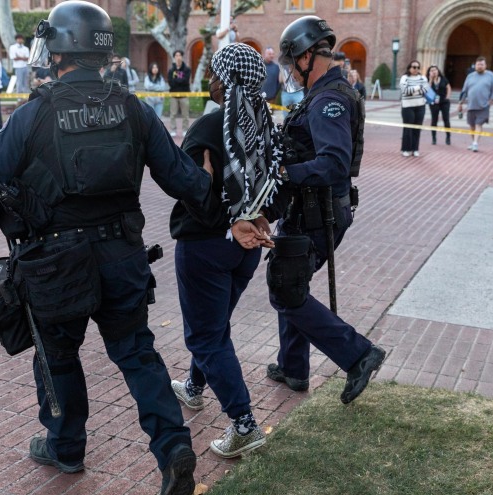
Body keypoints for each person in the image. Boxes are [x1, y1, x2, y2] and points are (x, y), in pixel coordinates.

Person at [0, 2, 215, 495]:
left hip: (55, 265)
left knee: (58, 355)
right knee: (137, 354)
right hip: (123, 255)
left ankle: (65, 446)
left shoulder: (34, 114)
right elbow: (182, 177)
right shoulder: (134, 109)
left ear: (57, 50)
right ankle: (174, 447)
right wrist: (226, 205)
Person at [250, 15, 385, 403]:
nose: (291, 71)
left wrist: (283, 171)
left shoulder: (329, 99)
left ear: (310, 55)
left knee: (286, 288)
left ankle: (359, 354)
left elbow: (334, 163)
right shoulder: (323, 92)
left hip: (318, 212)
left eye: (293, 63)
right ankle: (294, 368)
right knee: (290, 279)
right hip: (308, 208)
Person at [169, 42, 282, 459]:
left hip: (206, 245)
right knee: (214, 326)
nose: (210, 79)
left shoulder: (208, 128)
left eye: (215, 72)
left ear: (223, 80)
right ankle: (195, 387)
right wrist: (256, 216)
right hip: (247, 247)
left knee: (205, 334)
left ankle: (244, 423)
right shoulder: (266, 125)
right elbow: (277, 184)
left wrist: (229, 219)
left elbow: (189, 189)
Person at [457, 56, 493, 152]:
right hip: (471, 105)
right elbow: (464, 91)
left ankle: (475, 143)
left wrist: (490, 102)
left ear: (485, 65)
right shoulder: (470, 76)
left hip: (484, 106)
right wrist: (461, 103)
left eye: (482, 64)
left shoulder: (491, 76)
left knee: (478, 124)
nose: (480, 66)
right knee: (472, 126)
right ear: (475, 65)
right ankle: (473, 142)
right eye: (478, 64)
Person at [399, 60, 428, 157]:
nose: (416, 69)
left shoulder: (423, 78)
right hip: (407, 106)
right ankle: (405, 149)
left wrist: (413, 89)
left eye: (418, 67)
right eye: (414, 67)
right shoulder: (404, 78)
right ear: (409, 68)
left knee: (417, 128)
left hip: (420, 106)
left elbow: (425, 90)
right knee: (408, 128)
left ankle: (415, 149)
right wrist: (419, 87)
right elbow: (405, 91)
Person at [426, 65, 451, 146]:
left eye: (435, 70)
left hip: (444, 102)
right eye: (432, 70)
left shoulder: (443, 79)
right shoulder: (428, 80)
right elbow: (427, 91)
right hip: (434, 103)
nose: (434, 71)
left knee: (446, 119)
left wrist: (447, 97)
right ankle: (434, 138)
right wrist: (430, 80)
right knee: (434, 120)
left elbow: (448, 88)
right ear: (429, 72)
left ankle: (448, 136)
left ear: (438, 71)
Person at [168, 49, 191, 136]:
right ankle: (173, 129)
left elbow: (186, 81)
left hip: (184, 94)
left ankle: (185, 129)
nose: (178, 57)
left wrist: (176, 80)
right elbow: (170, 82)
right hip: (173, 94)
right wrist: (179, 80)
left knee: (185, 114)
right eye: (176, 56)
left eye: (179, 55)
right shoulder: (171, 70)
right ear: (174, 57)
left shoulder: (186, 69)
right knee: (173, 114)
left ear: (182, 57)